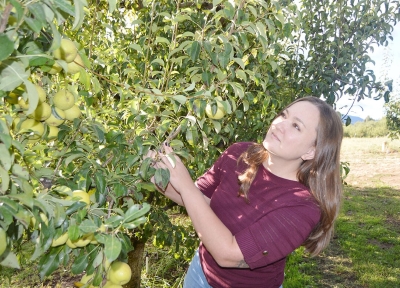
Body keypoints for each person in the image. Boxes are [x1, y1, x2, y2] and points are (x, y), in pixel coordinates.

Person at [146, 96, 343, 288]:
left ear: (311, 152)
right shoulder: (239, 153)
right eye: (283, 115)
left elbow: (227, 254)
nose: (280, 124)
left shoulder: (301, 207)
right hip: (200, 272)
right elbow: (199, 200)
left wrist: (185, 184)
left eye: (296, 126)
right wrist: (159, 176)